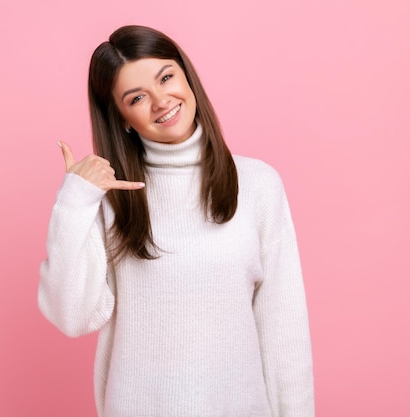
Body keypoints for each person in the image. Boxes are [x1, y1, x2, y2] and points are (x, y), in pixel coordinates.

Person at [38, 25, 314, 417]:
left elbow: (284, 332)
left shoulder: (258, 185)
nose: (161, 101)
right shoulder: (110, 199)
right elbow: (72, 316)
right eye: (137, 97)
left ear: (187, 76)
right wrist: (75, 201)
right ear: (123, 119)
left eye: (166, 77)